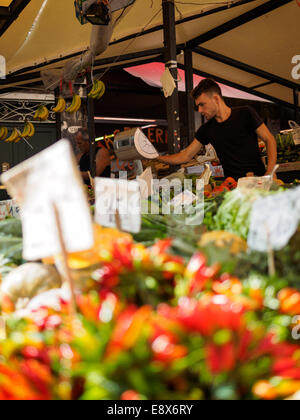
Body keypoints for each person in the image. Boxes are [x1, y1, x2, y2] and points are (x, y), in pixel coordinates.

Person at [158, 79, 277, 180]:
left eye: (202, 104)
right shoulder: (206, 129)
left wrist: (270, 171)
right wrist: (157, 157)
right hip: (232, 188)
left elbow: (269, 139)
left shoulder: (246, 113)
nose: (199, 110)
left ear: (216, 99)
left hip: (258, 181)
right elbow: (185, 155)